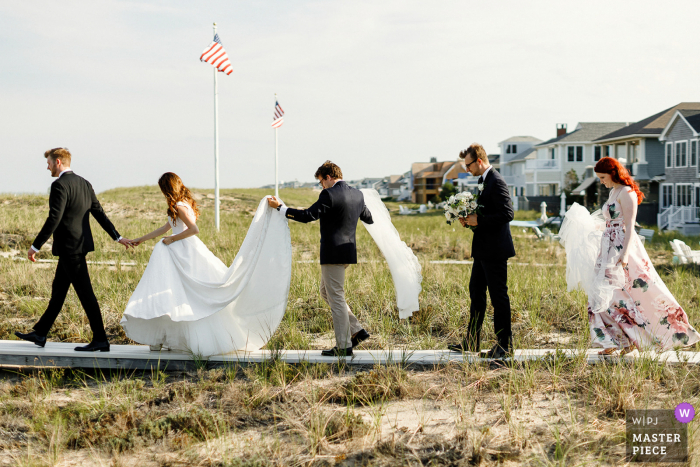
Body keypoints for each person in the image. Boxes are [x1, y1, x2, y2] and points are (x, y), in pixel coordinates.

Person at [121, 173, 292, 357]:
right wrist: (140, 239)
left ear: (167, 189)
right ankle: (164, 337)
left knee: (184, 294)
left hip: (184, 251)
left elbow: (193, 230)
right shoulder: (183, 203)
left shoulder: (179, 206)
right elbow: (164, 228)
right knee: (178, 294)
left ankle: (166, 338)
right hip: (181, 250)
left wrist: (172, 239)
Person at [560, 157, 700, 355]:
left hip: (623, 248)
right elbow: (611, 222)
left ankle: (658, 334)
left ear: (613, 173)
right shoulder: (613, 191)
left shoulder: (627, 193)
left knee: (636, 292)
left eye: (602, 177)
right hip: (607, 245)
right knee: (600, 291)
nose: (600, 181)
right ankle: (615, 341)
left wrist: (624, 254)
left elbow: (629, 226)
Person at [15, 148, 132, 352]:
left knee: (86, 294)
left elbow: (54, 218)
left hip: (70, 249)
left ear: (58, 162)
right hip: (78, 248)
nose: (47, 167)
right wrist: (117, 236)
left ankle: (101, 339)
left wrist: (35, 246)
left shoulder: (59, 185)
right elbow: (99, 213)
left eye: (49, 163)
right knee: (58, 292)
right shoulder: (85, 183)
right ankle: (40, 333)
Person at [267, 161, 373, 357]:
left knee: (336, 297)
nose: (321, 186)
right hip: (348, 253)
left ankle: (343, 346)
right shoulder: (358, 194)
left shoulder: (329, 194)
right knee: (326, 292)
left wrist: (281, 208)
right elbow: (368, 217)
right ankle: (357, 330)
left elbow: (308, 215)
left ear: (328, 177)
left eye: (321, 181)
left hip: (333, 254)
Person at [448, 143, 515, 358]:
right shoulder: (483, 181)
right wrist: (469, 221)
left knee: (498, 297)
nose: (467, 170)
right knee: (476, 294)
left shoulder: (497, 181)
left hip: (495, 251)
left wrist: (480, 220)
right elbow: (487, 213)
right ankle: (472, 342)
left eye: (468, 165)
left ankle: (505, 345)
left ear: (479, 161)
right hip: (483, 249)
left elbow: (507, 214)